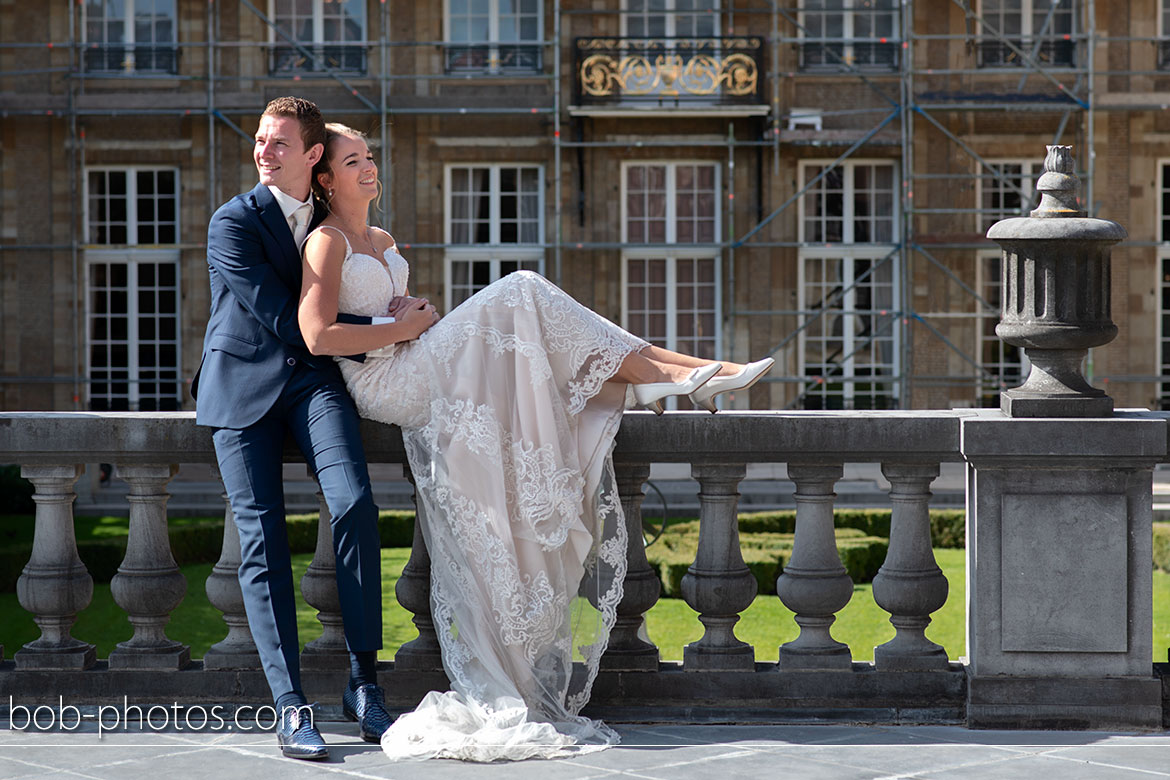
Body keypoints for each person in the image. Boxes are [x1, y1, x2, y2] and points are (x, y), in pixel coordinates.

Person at [298, 123, 774, 762]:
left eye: (370, 158)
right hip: (388, 382)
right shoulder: (325, 242)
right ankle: (679, 373)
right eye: (353, 162)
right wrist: (395, 324)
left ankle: (681, 373)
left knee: (529, 306)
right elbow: (318, 336)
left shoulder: (379, 239)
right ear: (325, 179)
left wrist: (405, 314)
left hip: (409, 356)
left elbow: (387, 315)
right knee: (522, 291)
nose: (369, 169)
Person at [191, 98, 393, 761]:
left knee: (356, 503)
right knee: (264, 540)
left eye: (278, 143)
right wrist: (388, 334)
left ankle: (364, 683)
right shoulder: (233, 222)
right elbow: (289, 320)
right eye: (259, 141)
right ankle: (289, 705)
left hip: (311, 386)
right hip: (242, 389)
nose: (262, 151)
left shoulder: (332, 221)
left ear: (312, 157)